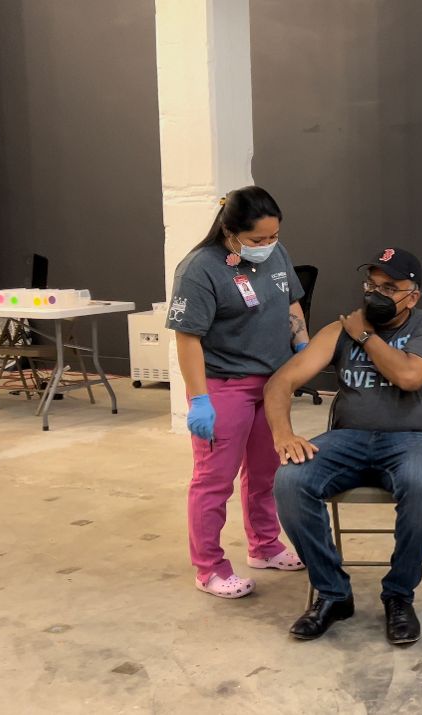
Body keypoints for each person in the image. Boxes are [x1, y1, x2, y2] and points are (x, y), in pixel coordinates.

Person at [265, 248, 422, 646]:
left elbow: (410, 376)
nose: (375, 294)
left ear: (412, 296)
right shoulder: (338, 330)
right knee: (290, 480)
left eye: (389, 287)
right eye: (371, 284)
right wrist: (283, 434)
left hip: (411, 439)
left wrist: (364, 335)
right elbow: (281, 382)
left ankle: (398, 594)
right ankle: (333, 594)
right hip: (346, 439)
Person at [167, 186, 310, 599]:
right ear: (230, 231)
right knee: (214, 481)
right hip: (225, 385)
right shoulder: (199, 269)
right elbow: (188, 338)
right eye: (257, 240)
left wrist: (303, 347)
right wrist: (199, 399)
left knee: (266, 473)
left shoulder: (276, 254)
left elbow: (291, 303)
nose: (267, 246)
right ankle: (209, 567)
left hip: (273, 384)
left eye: (273, 238)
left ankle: (265, 545)